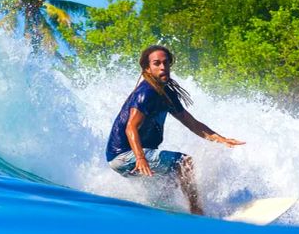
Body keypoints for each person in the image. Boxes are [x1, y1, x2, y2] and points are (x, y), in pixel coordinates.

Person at [105, 45, 245, 215]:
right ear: (147, 68)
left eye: (166, 63)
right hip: (124, 155)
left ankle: (162, 211)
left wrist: (221, 139)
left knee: (171, 180)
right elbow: (131, 127)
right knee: (185, 163)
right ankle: (197, 212)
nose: (163, 67)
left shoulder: (166, 93)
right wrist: (140, 157)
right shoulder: (146, 93)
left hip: (126, 157)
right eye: (157, 64)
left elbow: (191, 123)